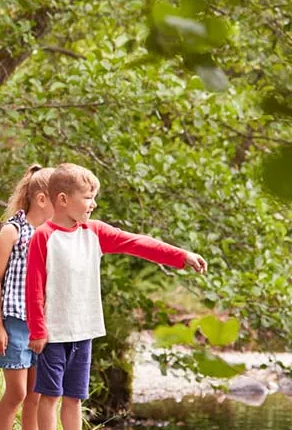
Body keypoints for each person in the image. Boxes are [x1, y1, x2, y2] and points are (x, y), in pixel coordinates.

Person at [24, 163, 208, 430]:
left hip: (83, 332)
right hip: (54, 334)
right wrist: (38, 330)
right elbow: (34, 287)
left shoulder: (95, 232)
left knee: (74, 398)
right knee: (50, 396)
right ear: (63, 200)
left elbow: (138, 243)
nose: (94, 204)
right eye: (88, 197)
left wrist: (181, 256)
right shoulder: (44, 236)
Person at [0, 164, 54, 430]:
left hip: (41, 325)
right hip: (15, 323)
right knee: (17, 393)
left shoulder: (52, 235)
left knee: (35, 395)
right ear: (41, 199)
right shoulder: (13, 231)